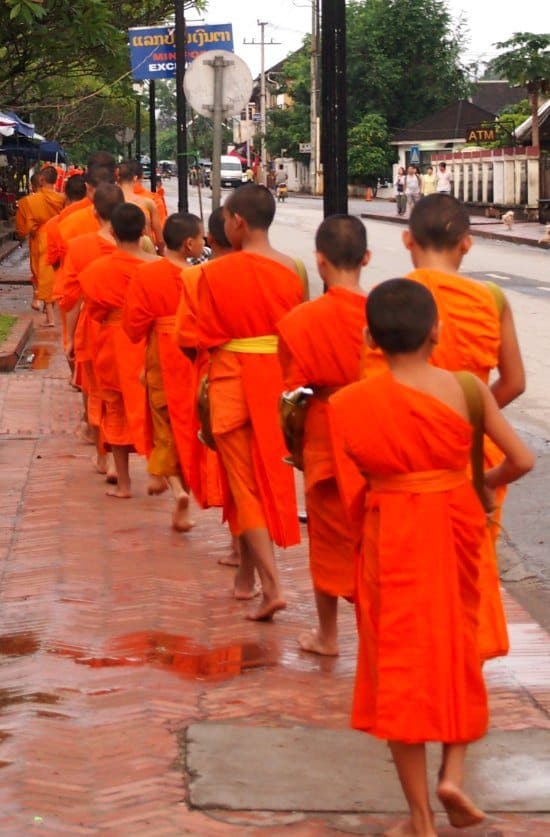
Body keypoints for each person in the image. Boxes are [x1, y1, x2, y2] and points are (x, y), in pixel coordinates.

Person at [330, 278, 534, 837]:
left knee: (395, 668)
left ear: (370, 337)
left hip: (390, 534)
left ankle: (419, 818)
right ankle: (454, 776)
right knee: (458, 650)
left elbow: (354, 491)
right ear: (437, 332)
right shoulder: (468, 389)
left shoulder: (348, 405)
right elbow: (519, 459)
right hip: (454, 529)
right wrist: (483, 484)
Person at [361, 193, 526, 662]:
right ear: (467, 245)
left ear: (407, 239)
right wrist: (471, 413)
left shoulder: (392, 302)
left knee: (409, 576)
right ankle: (460, 669)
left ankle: (421, 670)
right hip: (472, 456)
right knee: (468, 570)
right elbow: (513, 382)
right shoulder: (490, 299)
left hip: (405, 459)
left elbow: (372, 390)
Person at [194, 184, 305, 620]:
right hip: (277, 382)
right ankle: (246, 575)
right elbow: (301, 329)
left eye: (224, 218)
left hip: (233, 378)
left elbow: (204, 336)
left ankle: (272, 585)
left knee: (244, 484)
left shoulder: (214, 274)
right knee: (261, 479)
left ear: (237, 221)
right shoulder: (294, 269)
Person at [277, 215, 370, 655]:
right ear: (367, 258)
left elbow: (293, 390)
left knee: (329, 535)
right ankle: (378, 627)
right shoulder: (382, 314)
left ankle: (327, 635)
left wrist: (292, 443)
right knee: (376, 534)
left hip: (325, 433)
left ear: (319, 261)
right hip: (377, 430)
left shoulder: (301, 320)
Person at [122, 213, 206, 532]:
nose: (204, 242)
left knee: (164, 429)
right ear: (188, 244)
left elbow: (133, 326)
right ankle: (187, 486)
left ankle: (178, 490)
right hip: (195, 357)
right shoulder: (201, 276)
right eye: (201, 238)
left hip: (162, 356)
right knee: (191, 426)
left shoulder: (148, 274)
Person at [80, 203, 158, 498]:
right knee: (153, 409)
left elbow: (95, 313)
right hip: (148, 343)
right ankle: (157, 471)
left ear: (112, 231)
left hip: (113, 341)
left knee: (116, 409)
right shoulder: (155, 268)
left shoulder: (97, 271)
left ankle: (124, 485)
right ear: (143, 232)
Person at [58, 183, 124, 475]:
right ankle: (122, 452)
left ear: (94, 211)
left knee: (94, 390)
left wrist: (68, 337)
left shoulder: (80, 246)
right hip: (129, 328)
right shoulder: (136, 243)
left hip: (92, 323)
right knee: (121, 393)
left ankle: (103, 455)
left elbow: (71, 298)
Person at [15, 166, 65, 316]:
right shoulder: (62, 199)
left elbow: (25, 227)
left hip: (39, 237)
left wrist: (25, 232)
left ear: (41, 180)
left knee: (40, 270)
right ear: (56, 180)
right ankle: (48, 301)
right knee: (53, 270)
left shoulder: (29, 201)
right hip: (57, 236)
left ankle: (40, 298)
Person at [118, 161, 164, 254]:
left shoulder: (109, 201)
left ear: (118, 178)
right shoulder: (149, 201)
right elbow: (160, 239)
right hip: (146, 253)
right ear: (136, 177)